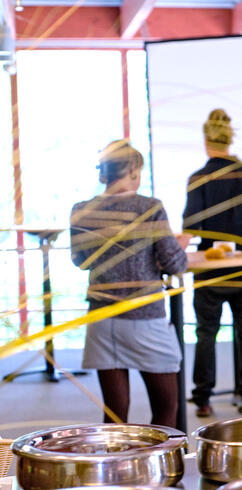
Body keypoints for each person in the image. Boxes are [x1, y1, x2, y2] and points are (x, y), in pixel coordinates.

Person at [70, 140, 190, 428]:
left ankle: (114, 469)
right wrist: (178, 247)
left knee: (114, 414)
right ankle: (159, 470)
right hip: (144, 318)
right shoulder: (150, 208)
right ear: (134, 169)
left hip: (101, 318)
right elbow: (175, 264)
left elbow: (81, 261)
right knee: (166, 409)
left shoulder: (81, 210)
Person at [183, 108, 242, 418]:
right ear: (230, 139)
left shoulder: (199, 178)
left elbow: (191, 225)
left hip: (210, 270)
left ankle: (203, 398)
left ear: (206, 140)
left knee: (206, 332)